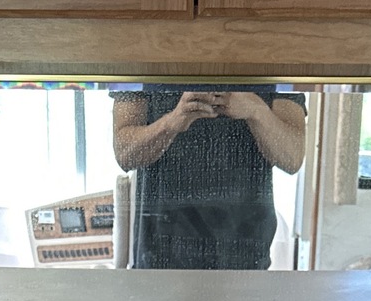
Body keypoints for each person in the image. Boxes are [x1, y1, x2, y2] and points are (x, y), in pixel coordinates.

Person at [111, 86, 307, 270]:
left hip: (244, 253)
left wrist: (256, 110)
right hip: (161, 252)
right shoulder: (144, 59)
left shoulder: (276, 61)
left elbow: (292, 158)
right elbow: (125, 154)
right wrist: (171, 122)